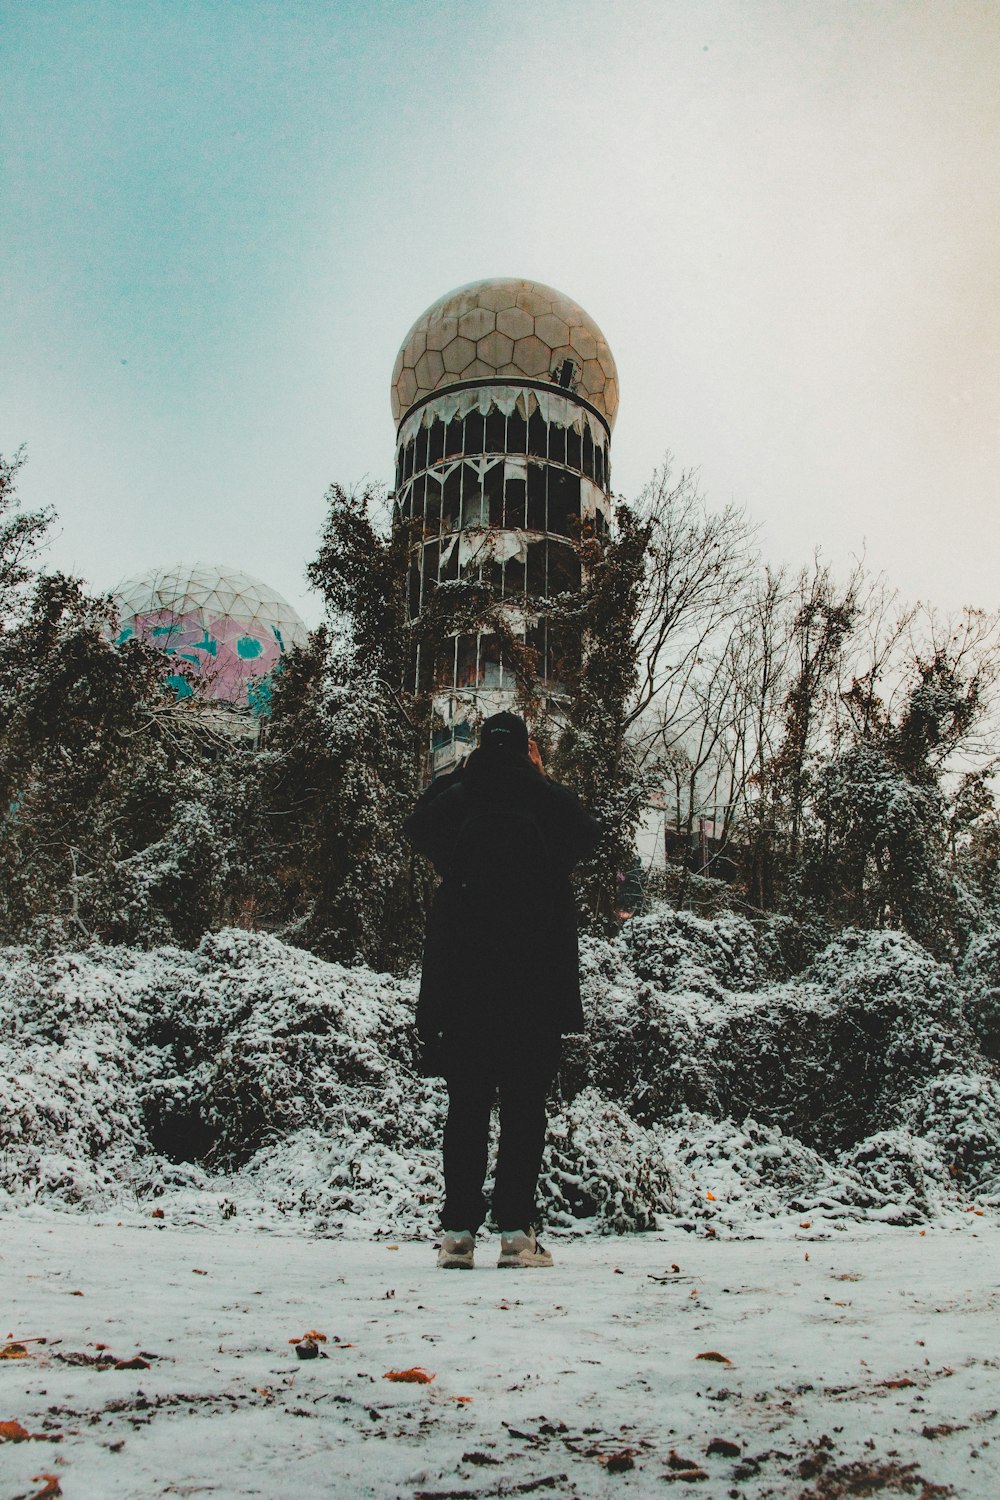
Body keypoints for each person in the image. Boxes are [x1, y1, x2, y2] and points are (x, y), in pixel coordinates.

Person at [403, 711, 600, 1269]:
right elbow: (587, 836)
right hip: (534, 988)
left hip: (464, 987)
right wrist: (536, 778)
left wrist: (463, 777)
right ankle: (515, 1233)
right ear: (529, 751)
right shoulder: (547, 800)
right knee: (524, 1108)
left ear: (480, 749)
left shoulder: (459, 797)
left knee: (465, 1107)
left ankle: (458, 1235)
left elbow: (418, 826)